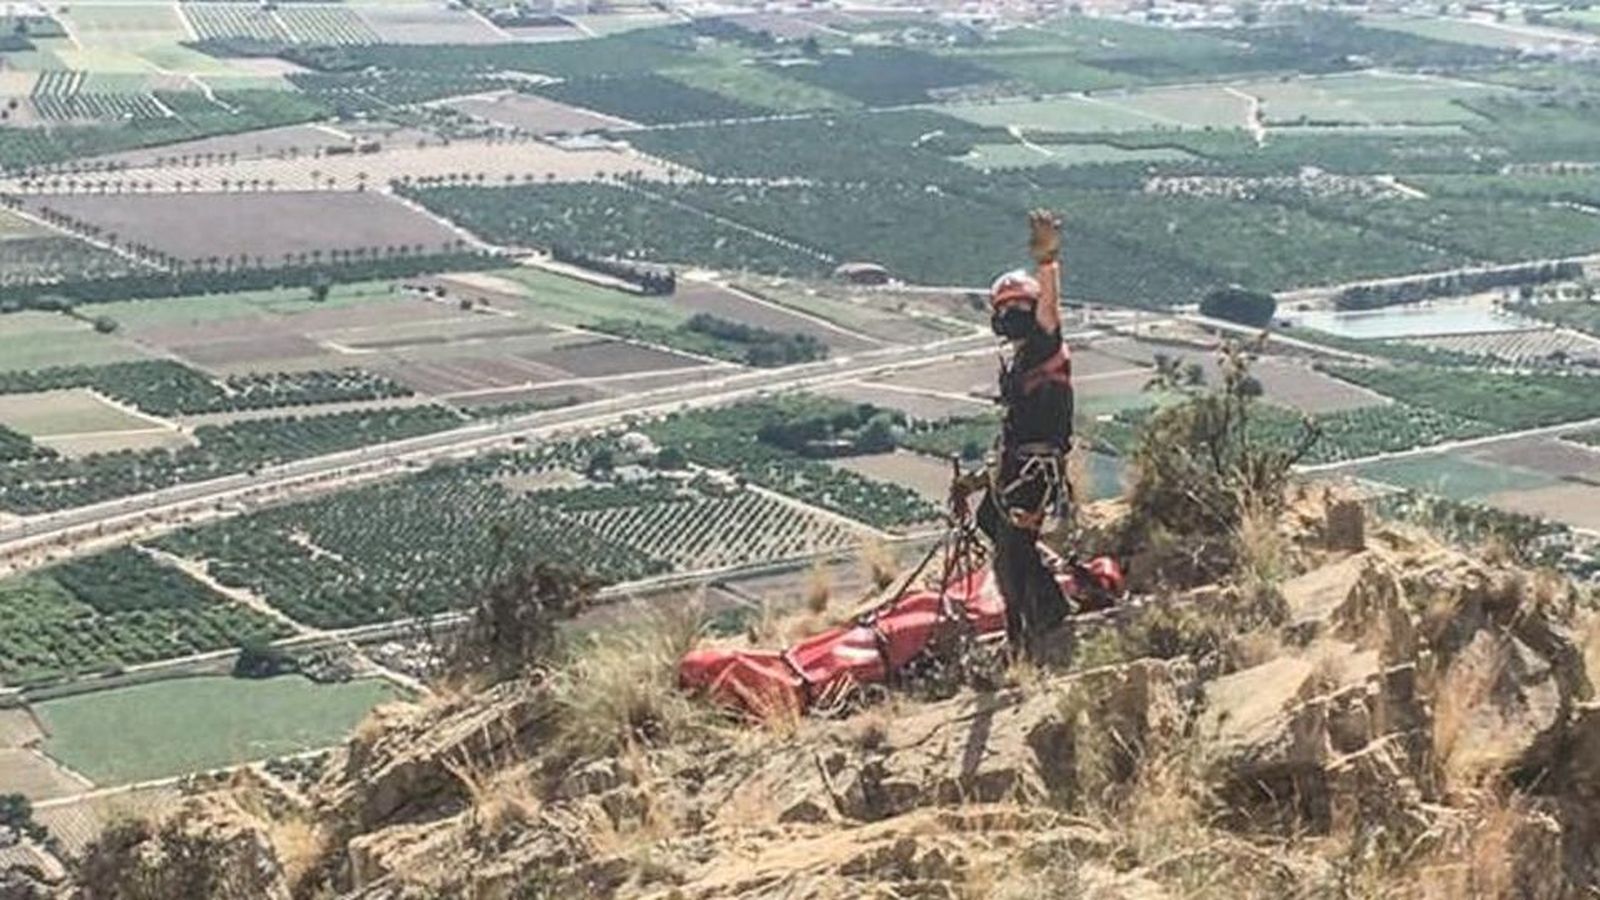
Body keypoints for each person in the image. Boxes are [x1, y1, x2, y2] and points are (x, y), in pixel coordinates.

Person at [953, 209, 1074, 658]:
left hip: (1035, 471)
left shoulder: (1045, 346)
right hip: (1016, 466)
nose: (1011, 315)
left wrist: (1049, 262)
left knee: (1012, 555)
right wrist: (978, 479)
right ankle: (1046, 610)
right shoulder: (1020, 361)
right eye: (1005, 309)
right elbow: (1013, 430)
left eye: (1015, 308)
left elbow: (1050, 310)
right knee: (991, 524)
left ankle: (1025, 636)